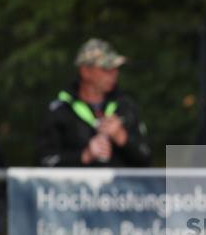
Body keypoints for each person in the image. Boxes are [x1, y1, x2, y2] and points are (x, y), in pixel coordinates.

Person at [38, 38, 151, 168]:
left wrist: (122, 138)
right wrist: (84, 156)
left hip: (121, 182)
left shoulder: (126, 106)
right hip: (75, 182)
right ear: (85, 71)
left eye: (116, 68)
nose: (114, 74)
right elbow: (43, 161)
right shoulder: (59, 110)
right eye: (106, 68)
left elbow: (146, 160)